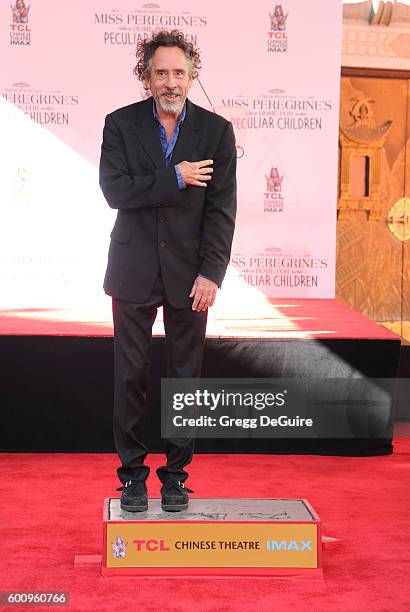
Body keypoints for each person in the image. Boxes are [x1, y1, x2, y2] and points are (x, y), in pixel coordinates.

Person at [99, 30, 237, 512]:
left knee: (184, 380)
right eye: (161, 73)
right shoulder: (119, 125)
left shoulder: (217, 132)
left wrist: (211, 274)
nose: (171, 82)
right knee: (130, 376)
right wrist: (174, 176)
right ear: (147, 78)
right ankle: (132, 477)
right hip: (133, 269)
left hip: (190, 275)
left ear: (192, 75)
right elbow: (116, 191)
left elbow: (221, 211)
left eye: (179, 72)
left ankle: (176, 476)